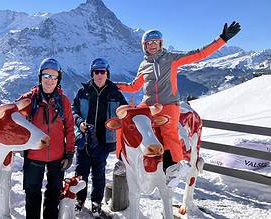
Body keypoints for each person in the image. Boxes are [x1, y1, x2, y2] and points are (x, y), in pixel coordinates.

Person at [116, 21, 241, 185]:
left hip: (168, 104)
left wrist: (222, 39)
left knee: (168, 131)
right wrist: (114, 86)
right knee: (125, 122)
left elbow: (199, 54)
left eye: (155, 42)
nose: (152, 45)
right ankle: (122, 160)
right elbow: (134, 86)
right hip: (147, 106)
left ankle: (173, 167)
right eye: (149, 43)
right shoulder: (143, 65)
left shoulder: (171, 59)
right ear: (144, 46)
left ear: (161, 44)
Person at [18, 58, 75, 219]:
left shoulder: (63, 101)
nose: (50, 80)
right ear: (40, 77)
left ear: (58, 80)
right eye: (46, 75)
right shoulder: (29, 100)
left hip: (57, 156)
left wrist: (69, 152)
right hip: (34, 155)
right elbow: (13, 114)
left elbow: (70, 128)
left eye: (54, 76)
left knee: (53, 194)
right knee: (32, 194)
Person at [72, 58, 127, 217]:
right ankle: (79, 201)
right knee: (80, 173)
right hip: (84, 138)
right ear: (92, 73)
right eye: (96, 72)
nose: (99, 75)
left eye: (102, 71)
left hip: (104, 141)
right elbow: (74, 110)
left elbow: (124, 113)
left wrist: (127, 111)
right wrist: (80, 122)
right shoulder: (83, 91)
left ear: (107, 73)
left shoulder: (115, 94)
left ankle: (96, 204)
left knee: (98, 175)